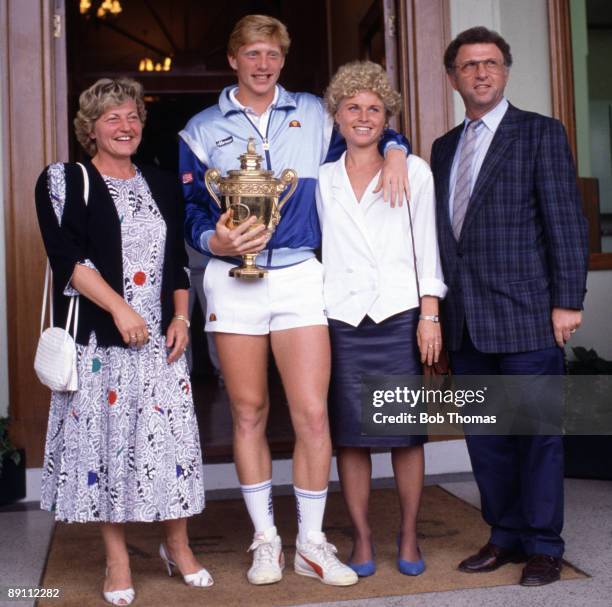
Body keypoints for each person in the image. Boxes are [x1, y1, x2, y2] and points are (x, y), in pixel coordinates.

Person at [179, 14, 411, 587]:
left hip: (302, 275)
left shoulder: (312, 111)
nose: (264, 65)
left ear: (283, 60)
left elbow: (368, 130)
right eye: (253, 54)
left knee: (311, 414)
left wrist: (399, 147)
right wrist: (214, 239)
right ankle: (266, 541)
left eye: (273, 55)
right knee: (249, 412)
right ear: (234, 58)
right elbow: (185, 212)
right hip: (233, 281)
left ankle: (311, 542)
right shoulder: (200, 128)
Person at [35, 78, 212, 606]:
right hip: (101, 344)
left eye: (133, 116)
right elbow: (66, 259)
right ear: (90, 128)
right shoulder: (66, 180)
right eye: (112, 117)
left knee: (172, 447)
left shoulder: (159, 182)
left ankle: (177, 548)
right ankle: (116, 559)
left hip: (160, 343)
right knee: (108, 450)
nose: (125, 126)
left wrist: (181, 317)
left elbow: (178, 263)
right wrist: (120, 308)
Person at [430, 27, 589, 586]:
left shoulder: (540, 134)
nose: (480, 73)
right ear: (453, 77)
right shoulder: (444, 147)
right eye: (469, 65)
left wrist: (568, 302)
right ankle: (505, 535)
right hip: (468, 322)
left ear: (505, 71)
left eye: (490, 63)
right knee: (487, 439)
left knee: (537, 437)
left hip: (528, 315)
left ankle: (545, 545)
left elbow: (565, 222)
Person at [316, 61, 447, 578]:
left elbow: (427, 247)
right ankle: (363, 535)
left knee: (405, 436)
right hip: (342, 317)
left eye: (374, 108)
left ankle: (409, 533)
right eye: (353, 108)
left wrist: (429, 314)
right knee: (351, 436)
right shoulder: (321, 178)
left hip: (399, 314)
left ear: (387, 116)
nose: (363, 116)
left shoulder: (413, 170)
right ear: (337, 116)